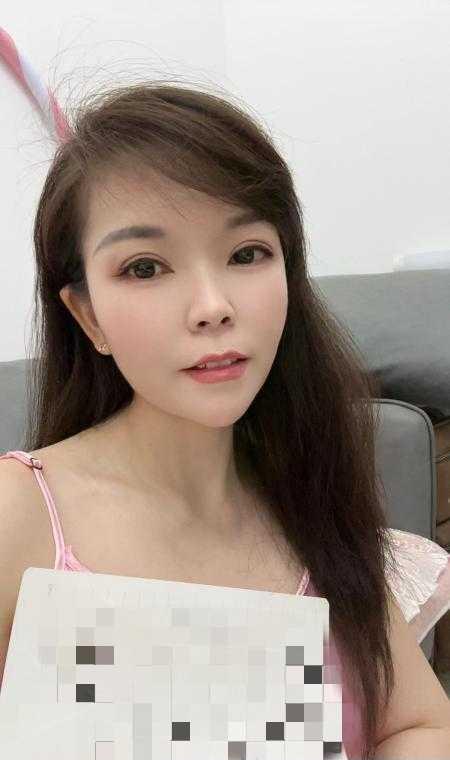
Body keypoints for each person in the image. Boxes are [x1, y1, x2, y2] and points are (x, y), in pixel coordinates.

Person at [1, 83, 449, 758]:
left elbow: (419, 724)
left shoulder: (312, 501)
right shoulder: (19, 515)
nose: (212, 306)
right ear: (87, 315)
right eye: (145, 267)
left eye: (246, 254)